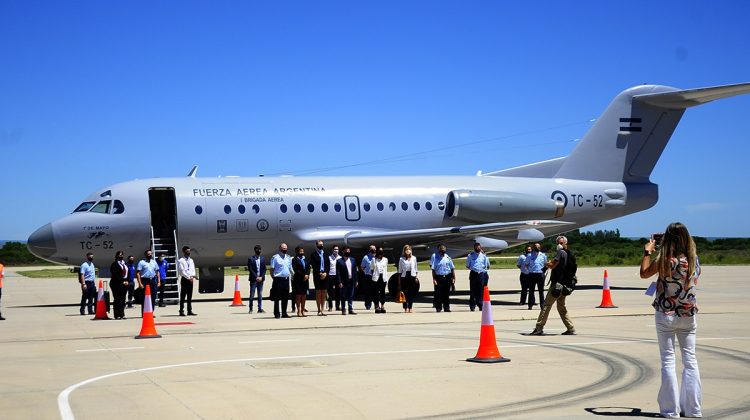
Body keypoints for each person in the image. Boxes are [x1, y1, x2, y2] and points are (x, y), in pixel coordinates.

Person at [640, 222, 702, 419]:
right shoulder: (693, 260)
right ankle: (693, 409)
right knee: (690, 361)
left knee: (668, 361)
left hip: (666, 314)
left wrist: (647, 252)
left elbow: (644, 273)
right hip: (688, 314)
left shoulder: (667, 260)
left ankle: (670, 410)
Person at [530, 236, 575, 336]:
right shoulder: (570, 254)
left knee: (546, 305)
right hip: (566, 285)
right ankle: (570, 327)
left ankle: (539, 328)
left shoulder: (560, 253)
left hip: (557, 285)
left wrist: (546, 264)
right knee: (561, 307)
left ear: (565, 243)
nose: (559, 244)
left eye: (561, 242)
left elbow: (553, 265)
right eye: (558, 242)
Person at [430, 244, 455, 312]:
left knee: (446, 294)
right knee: (438, 294)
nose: (443, 251)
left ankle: (446, 307)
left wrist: (453, 278)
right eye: (441, 250)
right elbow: (433, 269)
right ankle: (438, 307)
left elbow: (452, 268)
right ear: (439, 250)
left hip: (447, 276)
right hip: (439, 277)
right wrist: (434, 279)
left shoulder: (448, 257)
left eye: (444, 250)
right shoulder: (435, 258)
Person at [270, 243, 292, 319]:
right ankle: (276, 313)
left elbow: (290, 268)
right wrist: (274, 278)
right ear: (280, 249)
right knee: (277, 298)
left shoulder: (288, 257)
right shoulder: (275, 258)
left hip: (286, 279)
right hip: (278, 280)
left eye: (286, 248)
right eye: (283, 248)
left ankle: (284, 313)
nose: (285, 250)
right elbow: (272, 270)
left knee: (285, 297)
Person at [465, 242, 490, 311]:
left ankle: (480, 304)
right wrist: (474, 269)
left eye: (479, 247)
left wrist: (482, 271)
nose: (478, 248)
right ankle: (472, 305)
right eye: (476, 247)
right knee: (473, 290)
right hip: (474, 273)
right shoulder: (470, 255)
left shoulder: (484, 256)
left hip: (481, 273)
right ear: (474, 248)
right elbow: (467, 265)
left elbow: (487, 265)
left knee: (481, 290)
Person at [136, 249, 161, 314]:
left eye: (151, 254)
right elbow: (138, 273)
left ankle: (151, 312)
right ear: (145, 255)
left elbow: (157, 272)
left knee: (153, 296)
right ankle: (144, 313)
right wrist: (140, 283)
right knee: (145, 297)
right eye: (148, 254)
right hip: (145, 280)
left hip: (152, 280)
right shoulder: (141, 262)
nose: (150, 255)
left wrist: (159, 281)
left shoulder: (154, 262)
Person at [336, 246, 359, 315]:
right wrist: (339, 282)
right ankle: (343, 309)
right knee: (343, 296)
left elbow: (355, 271)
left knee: (351, 296)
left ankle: (350, 309)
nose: (348, 252)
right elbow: (338, 272)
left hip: (351, 280)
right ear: (343, 251)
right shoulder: (339, 261)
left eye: (349, 251)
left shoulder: (353, 260)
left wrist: (356, 280)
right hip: (343, 281)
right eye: (346, 251)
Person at [310, 240, 330, 316]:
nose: (321, 246)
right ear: (316, 245)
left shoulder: (326, 254)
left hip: (325, 275)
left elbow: (328, 265)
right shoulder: (313, 254)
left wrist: (325, 273)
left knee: (324, 292)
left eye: (322, 244)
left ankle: (322, 309)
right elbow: (313, 265)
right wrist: (320, 273)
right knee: (318, 292)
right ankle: (318, 309)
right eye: (320, 245)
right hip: (318, 276)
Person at [526, 243, 548, 310]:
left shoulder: (543, 255)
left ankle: (542, 305)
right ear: (533, 247)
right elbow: (526, 265)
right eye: (536, 246)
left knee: (541, 290)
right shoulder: (529, 255)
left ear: (540, 247)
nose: (537, 247)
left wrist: (543, 272)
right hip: (532, 274)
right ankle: (530, 305)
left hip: (540, 274)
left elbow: (545, 264)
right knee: (531, 290)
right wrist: (530, 270)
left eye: (538, 246)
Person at [398, 245, 419, 313]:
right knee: (405, 292)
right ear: (404, 251)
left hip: (412, 275)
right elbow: (400, 271)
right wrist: (399, 281)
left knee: (411, 293)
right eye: (406, 249)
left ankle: (410, 307)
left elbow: (415, 268)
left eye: (409, 249)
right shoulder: (401, 259)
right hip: (404, 276)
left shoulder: (414, 258)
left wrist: (415, 277)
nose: (408, 250)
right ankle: (405, 307)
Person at [178, 246, 197, 316]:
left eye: (189, 251)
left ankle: (189, 310)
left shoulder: (191, 260)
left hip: (190, 279)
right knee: (183, 296)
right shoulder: (181, 260)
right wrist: (188, 277)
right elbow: (181, 271)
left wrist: (193, 276)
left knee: (189, 296)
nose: (188, 252)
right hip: (185, 279)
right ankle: (181, 310)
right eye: (187, 251)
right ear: (183, 252)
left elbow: (192, 269)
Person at [109, 251, 129, 320]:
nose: (121, 256)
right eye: (119, 255)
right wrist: (122, 281)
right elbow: (115, 274)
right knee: (117, 299)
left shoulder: (125, 264)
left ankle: (122, 314)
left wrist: (127, 281)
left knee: (123, 299)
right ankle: (117, 314)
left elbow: (127, 273)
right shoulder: (114, 264)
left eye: (122, 255)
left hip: (124, 283)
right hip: (116, 283)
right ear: (117, 256)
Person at [247, 245, 266, 314]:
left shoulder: (263, 259)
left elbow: (264, 269)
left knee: (260, 294)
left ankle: (260, 308)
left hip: (261, 279)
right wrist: (256, 277)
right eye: (257, 250)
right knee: (252, 294)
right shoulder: (251, 259)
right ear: (255, 250)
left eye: (260, 250)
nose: (259, 251)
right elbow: (250, 269)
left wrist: (261, 277)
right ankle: (251, 308)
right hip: (253, 279)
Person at [292, 246, 311, 317]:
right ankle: (299, 310)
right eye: (300, 251)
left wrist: (307, 274)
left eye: (302, 251)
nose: (302, 253)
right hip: (298, 280)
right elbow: (296, 270)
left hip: (305, 280)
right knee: (298, 295)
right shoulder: (294, 260)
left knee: (304, 295)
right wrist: (303, 275)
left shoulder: (305, 259)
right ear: (297, 252)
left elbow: (309, 267)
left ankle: (303, 310)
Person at [370, 247, 388, 313]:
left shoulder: (385, 259)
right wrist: (374, 275)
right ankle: (377, 306)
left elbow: (385, 268)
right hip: (376, 278)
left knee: (382, 292)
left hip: (383, 277)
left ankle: (382, 305)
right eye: (379, 251)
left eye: (381, 251)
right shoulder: (374, 260)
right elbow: (371, 269)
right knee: (376, 293)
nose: (380, 253)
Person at [360, 245, 376, 311]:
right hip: (368, 276)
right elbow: (362, 266)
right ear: (369, 250)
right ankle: (368, 305)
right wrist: (366, 272)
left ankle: (376, 305)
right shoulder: (366, 257)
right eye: (372, 249)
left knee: (375, 291)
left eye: (374, 249)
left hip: (376, 276)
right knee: (368, 291)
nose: (373, 250)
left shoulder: (378, 257)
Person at [326, 245, 341, 312]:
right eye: (335, 249)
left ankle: (337, 306)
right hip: (330, 275)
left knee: (338, 292)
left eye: (337, 249)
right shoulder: (329, 257)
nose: (336, 250)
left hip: (338, 276)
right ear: (332, 250)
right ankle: (330, 306)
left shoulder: (340, 258)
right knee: (330, 292)